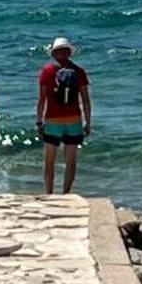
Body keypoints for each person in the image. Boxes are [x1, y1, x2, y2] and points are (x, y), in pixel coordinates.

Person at [35, 36, 90, 194]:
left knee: (49, 161)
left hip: (53, 120)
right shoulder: (79, 72)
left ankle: (49, 193)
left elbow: (42, 99)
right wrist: (88, 122)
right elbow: (85, 99)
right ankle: (66, 193)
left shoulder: (47, 71)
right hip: (74, 119)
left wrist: (39, 122)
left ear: (54, 53)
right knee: (70, 161)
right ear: (69, 53)